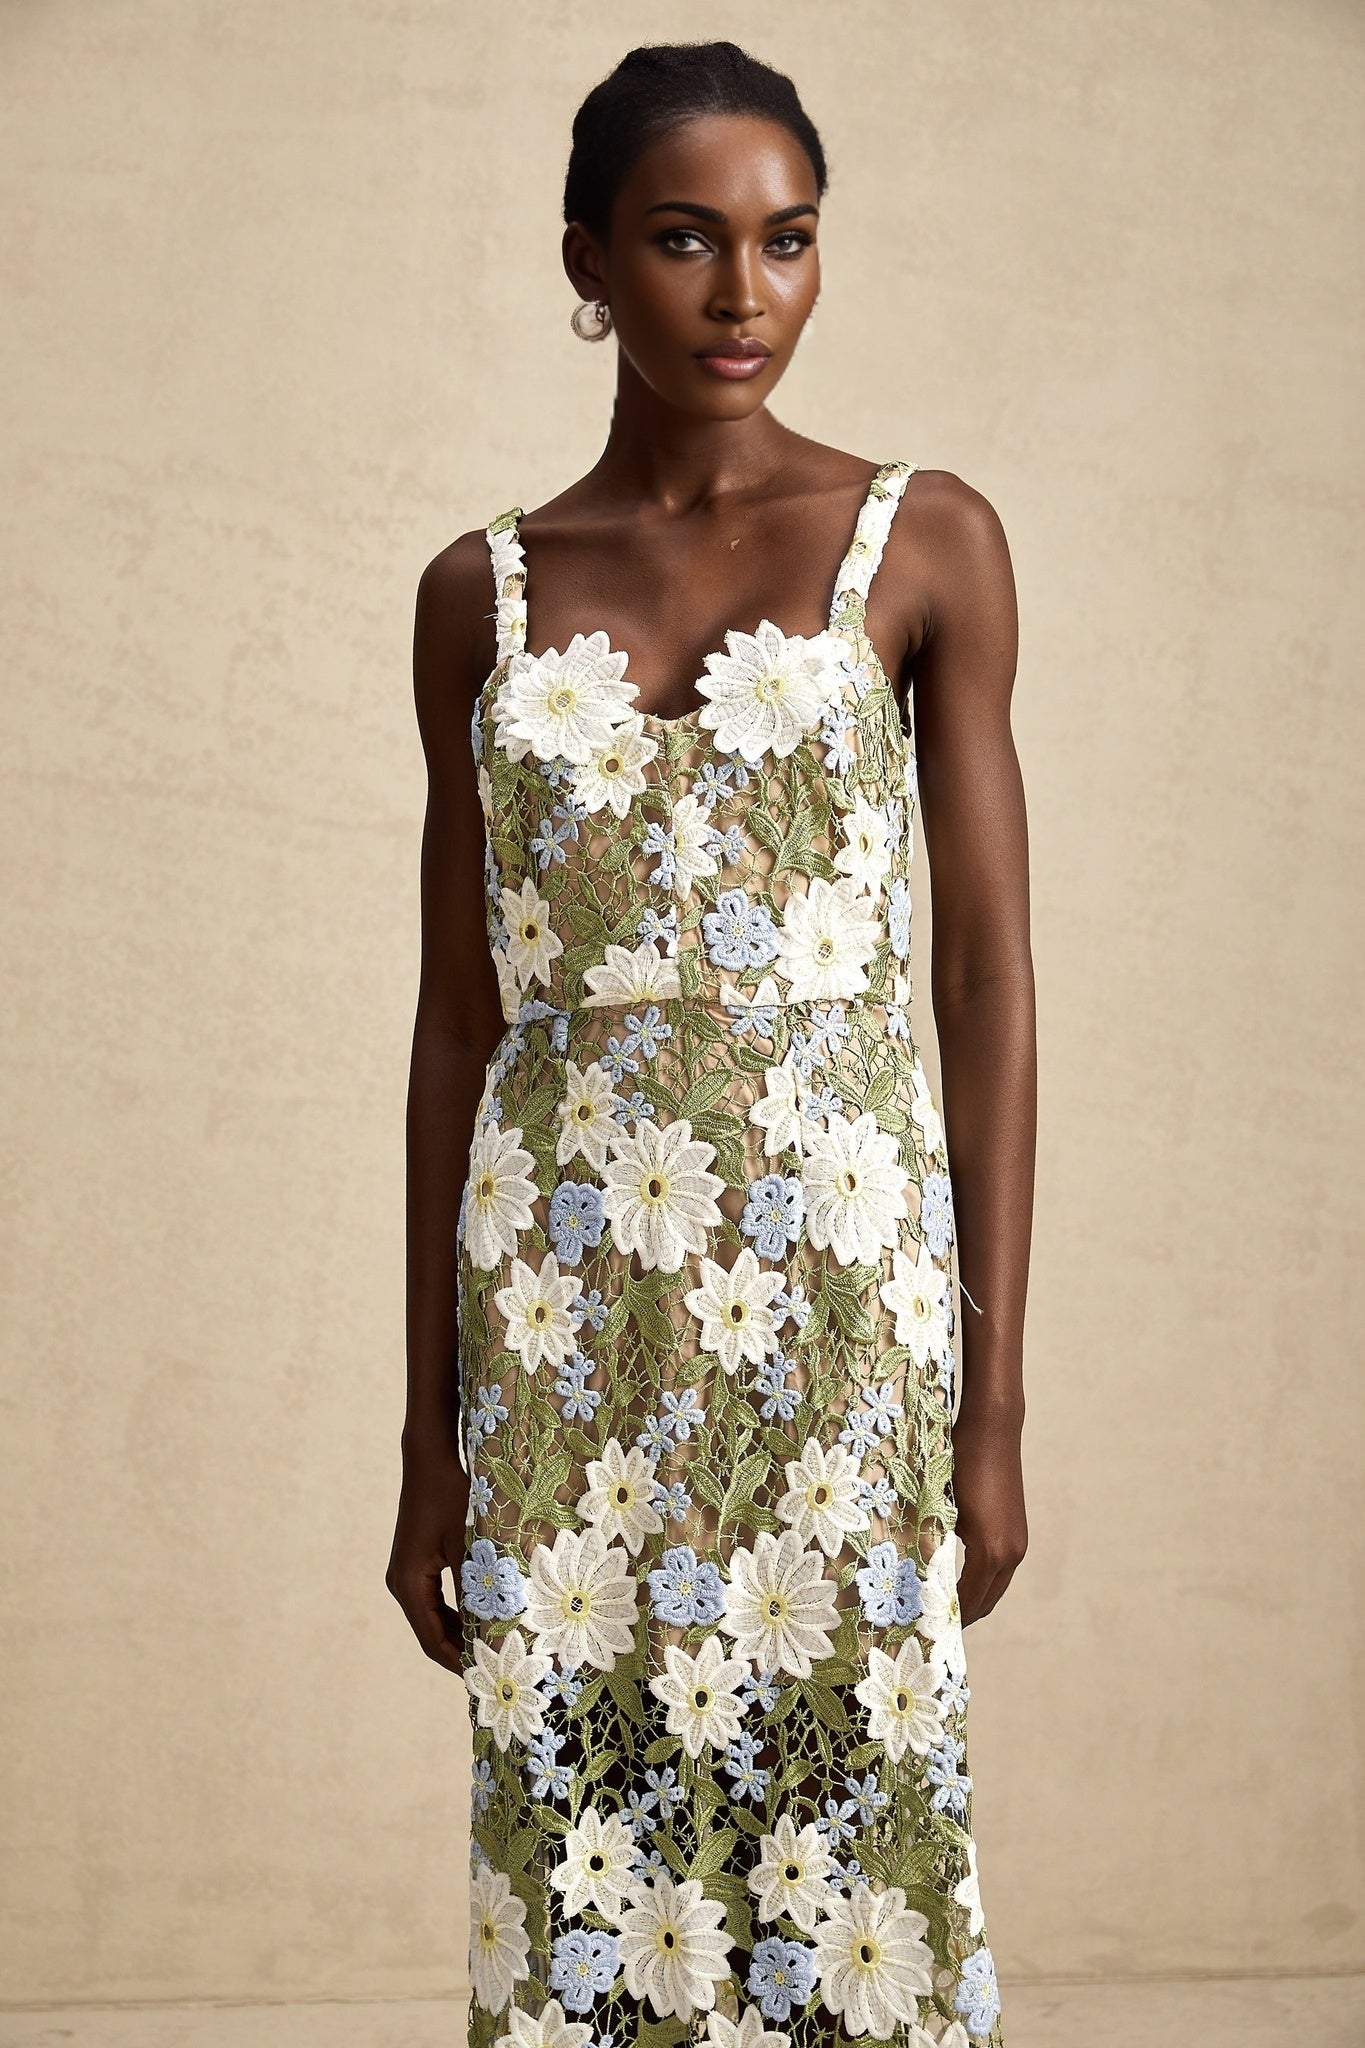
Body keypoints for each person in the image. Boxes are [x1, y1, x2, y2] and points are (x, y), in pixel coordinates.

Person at [387, 39, 1032, 2048]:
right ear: (587, 261)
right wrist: (427, 1439)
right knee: (585, 1839)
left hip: (839, 1299)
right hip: (561, 1311)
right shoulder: (479, 594)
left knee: (846, 1831)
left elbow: (985, 983)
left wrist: (993, 1405)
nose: (743, 293)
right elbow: (458, 1021)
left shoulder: (923, 541)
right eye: (683, 242)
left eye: (786, 240)